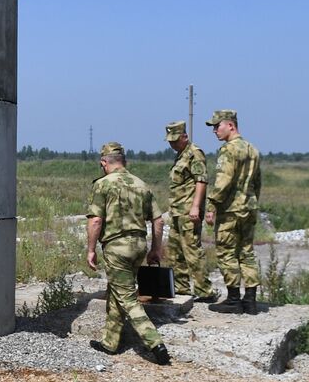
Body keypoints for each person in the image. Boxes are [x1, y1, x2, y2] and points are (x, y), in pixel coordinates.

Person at [85, 142, 171, 365]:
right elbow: (158, 220)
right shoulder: (141, 184)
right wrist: (155, 249)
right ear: (124, 161)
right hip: (139, 246)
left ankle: (155, 344)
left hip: (117, 248)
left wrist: (91, 249)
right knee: (117, 290)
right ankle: (110, 342)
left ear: (104, 162)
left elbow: (95, 220)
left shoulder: (103, 185)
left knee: (127, 297)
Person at [204, 109, 263, 314]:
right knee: (246, 252)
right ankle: (251, 300)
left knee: (226, 253)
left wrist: (211, 206)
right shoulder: (253, 149)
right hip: (249, 207)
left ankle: (234, 299)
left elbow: (223, 181)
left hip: (229, 210)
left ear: (231, 125)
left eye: (217, 125)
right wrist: (252, 201)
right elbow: (257, 182)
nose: (214, 131)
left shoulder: (228, 150)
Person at [165, 121, 215, 302]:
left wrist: (195, 207)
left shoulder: (194, 153)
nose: (172, 144)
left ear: (185, 136)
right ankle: (182, 288)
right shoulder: (181, 155)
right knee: (174, 252)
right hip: (177, 211)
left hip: (188, 211)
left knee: (192, 250)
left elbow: (201, 181)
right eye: (170, 141)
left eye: (175, 140)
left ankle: (205, 290)